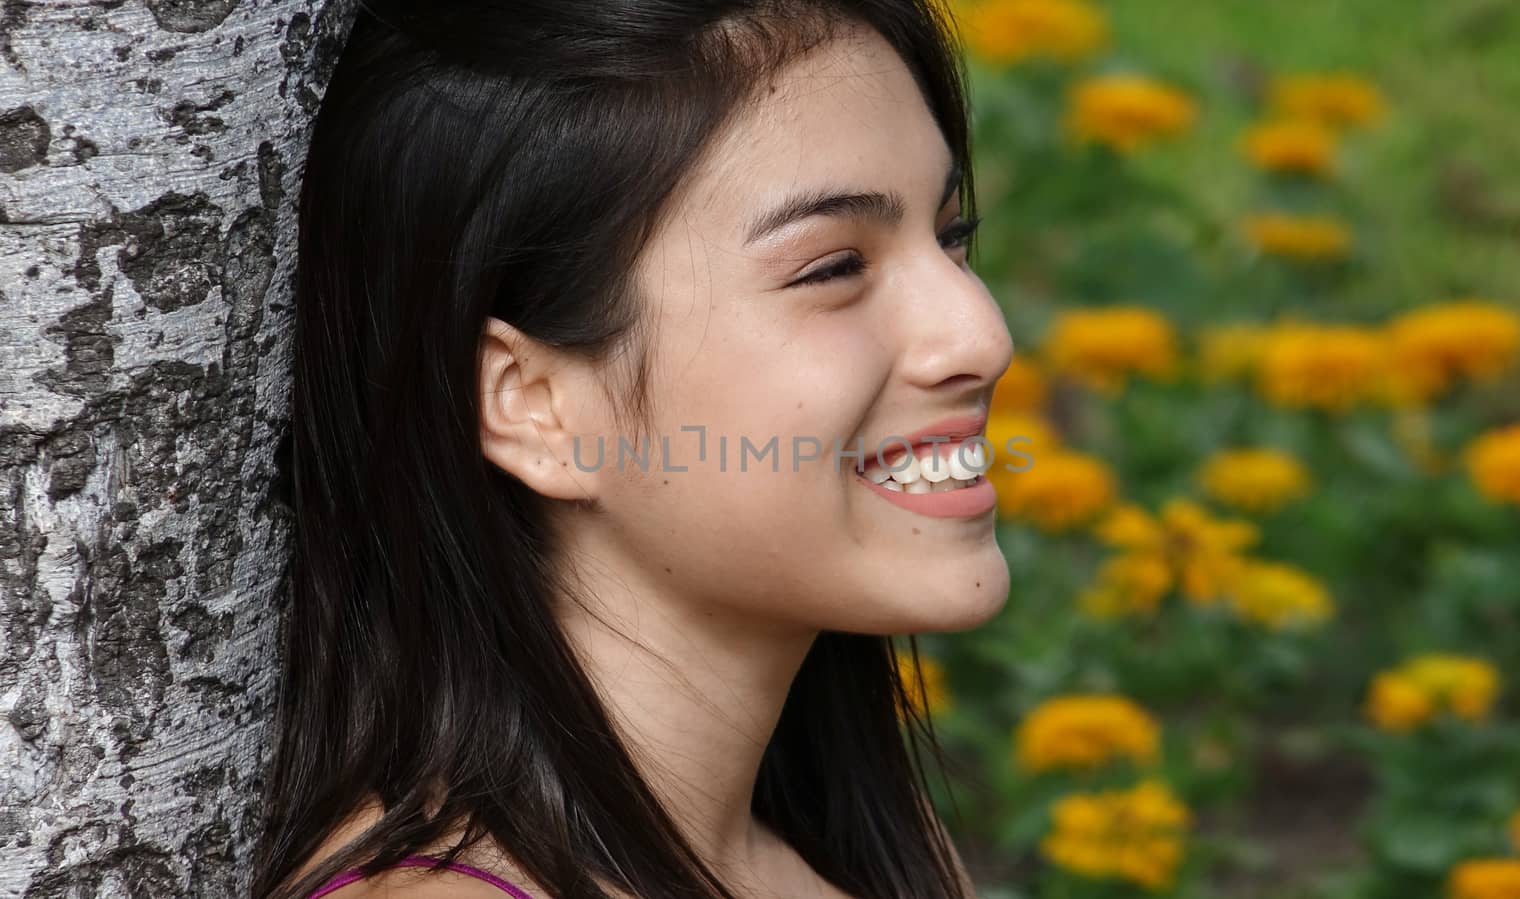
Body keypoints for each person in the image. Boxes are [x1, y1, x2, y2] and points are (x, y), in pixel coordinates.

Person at [251, 0, 1014, 896]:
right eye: (833, 268)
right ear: (531, 404)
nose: (979, 334)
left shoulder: (859, 856)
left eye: (950, 236)